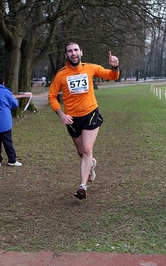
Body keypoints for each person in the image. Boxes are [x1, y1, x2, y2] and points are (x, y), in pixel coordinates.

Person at [48, 42, 120, 200]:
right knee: (81, 152)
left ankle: (82, 186)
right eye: (69, 51)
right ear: (66, 55)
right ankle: (92, 164)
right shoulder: (61, 75)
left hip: (90, 114)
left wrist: (115, 67)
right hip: (72, 119)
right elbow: (52, 96)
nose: (73, 53)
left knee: (87, 149)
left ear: (81, 52)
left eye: (75, 50)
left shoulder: (90, 68)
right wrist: (61, 114)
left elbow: (112, 76)